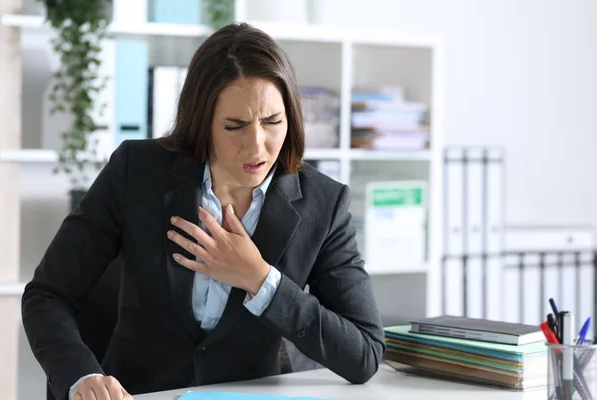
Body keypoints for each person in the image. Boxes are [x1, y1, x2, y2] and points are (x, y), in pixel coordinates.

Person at [22, 22, 385, 400]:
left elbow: (364, 353)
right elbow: (47, 295)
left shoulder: (324, 205)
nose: (257, 146)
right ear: (203, 121)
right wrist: (81, 377)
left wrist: (260, 280)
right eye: (235, 126)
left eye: (273, 122)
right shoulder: (136, 171)